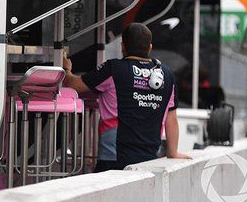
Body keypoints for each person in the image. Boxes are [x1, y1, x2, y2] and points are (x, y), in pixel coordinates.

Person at [62, 22, 191, 172]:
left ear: (122, 46)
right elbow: (171, 118)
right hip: (149, 162)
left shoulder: (113, 69)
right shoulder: (167, 76)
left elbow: (73, 85)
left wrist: (66, 67)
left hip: (114, 161)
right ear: (150, 48)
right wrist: (172, 152)